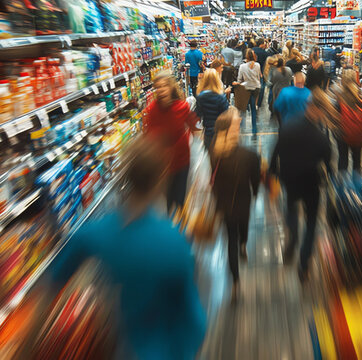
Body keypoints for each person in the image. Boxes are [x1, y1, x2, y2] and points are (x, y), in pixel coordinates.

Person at [51, 138, 207, 360]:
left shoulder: (96, 233)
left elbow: (51, 281)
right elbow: (194, 320)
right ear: (160, 180)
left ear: (125, 178)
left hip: (121, 347)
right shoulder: (174, 242)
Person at [269, 90, 333, 282]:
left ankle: (293, 239)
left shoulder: (288, 126)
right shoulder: (322, 138)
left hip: (289, 178)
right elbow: (328, 166)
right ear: (319, 111)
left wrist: (273, 174)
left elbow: (276, 153)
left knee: (290, 208)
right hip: (311, 183)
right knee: (312, 221)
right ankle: (303, 265)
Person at [210, 108, 261, 299]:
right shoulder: (249, 155)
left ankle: (235, 282)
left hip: (223, 205)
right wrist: (255, 192)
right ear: (234, 130)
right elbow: (255, 181)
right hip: (243, 202)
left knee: (230, 238)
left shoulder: (214, 153)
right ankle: (244, 244)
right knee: (243, 227)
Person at [143, 73, 200, 214]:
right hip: (163, 167)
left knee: (180, 199)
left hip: (182, 162)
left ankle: (178, 229)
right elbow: (148, 137)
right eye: (158, 87)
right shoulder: (151, 111)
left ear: (171, 88)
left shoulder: (182, 106)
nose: (161, 90)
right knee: (168, 201)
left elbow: (194, 127)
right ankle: (172, 227)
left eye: (164, 86)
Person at [334, 70, 362, 172]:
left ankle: (341, 184)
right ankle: (357, 185)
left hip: (343, 135)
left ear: (343, 81)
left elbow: (336, 118)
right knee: (357, 161)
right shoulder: (360, 96)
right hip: (358, 135)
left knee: (343, 159)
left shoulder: (339, 97)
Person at [194, 69, 229, 150]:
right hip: (220, 133)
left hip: (208, 133)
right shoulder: (221, 96)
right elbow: (226, 114)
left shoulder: (200, 97)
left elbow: (197, 115)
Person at [235, 49, 262, 136]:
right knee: (253, 108)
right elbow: (258, 77)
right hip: (256, 88)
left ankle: (242, 128)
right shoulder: (258, 65)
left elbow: (239, 79)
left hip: (246, 89)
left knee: (243, 108)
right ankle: (254, 128)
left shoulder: (242, 66)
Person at [252, 39, 269, 107]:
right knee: (261, 87)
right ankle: (258, 103)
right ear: (261, 44)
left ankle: (252, 102)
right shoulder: (264, 52)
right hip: (261, 72)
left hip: (252, 71)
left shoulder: (252, 49)